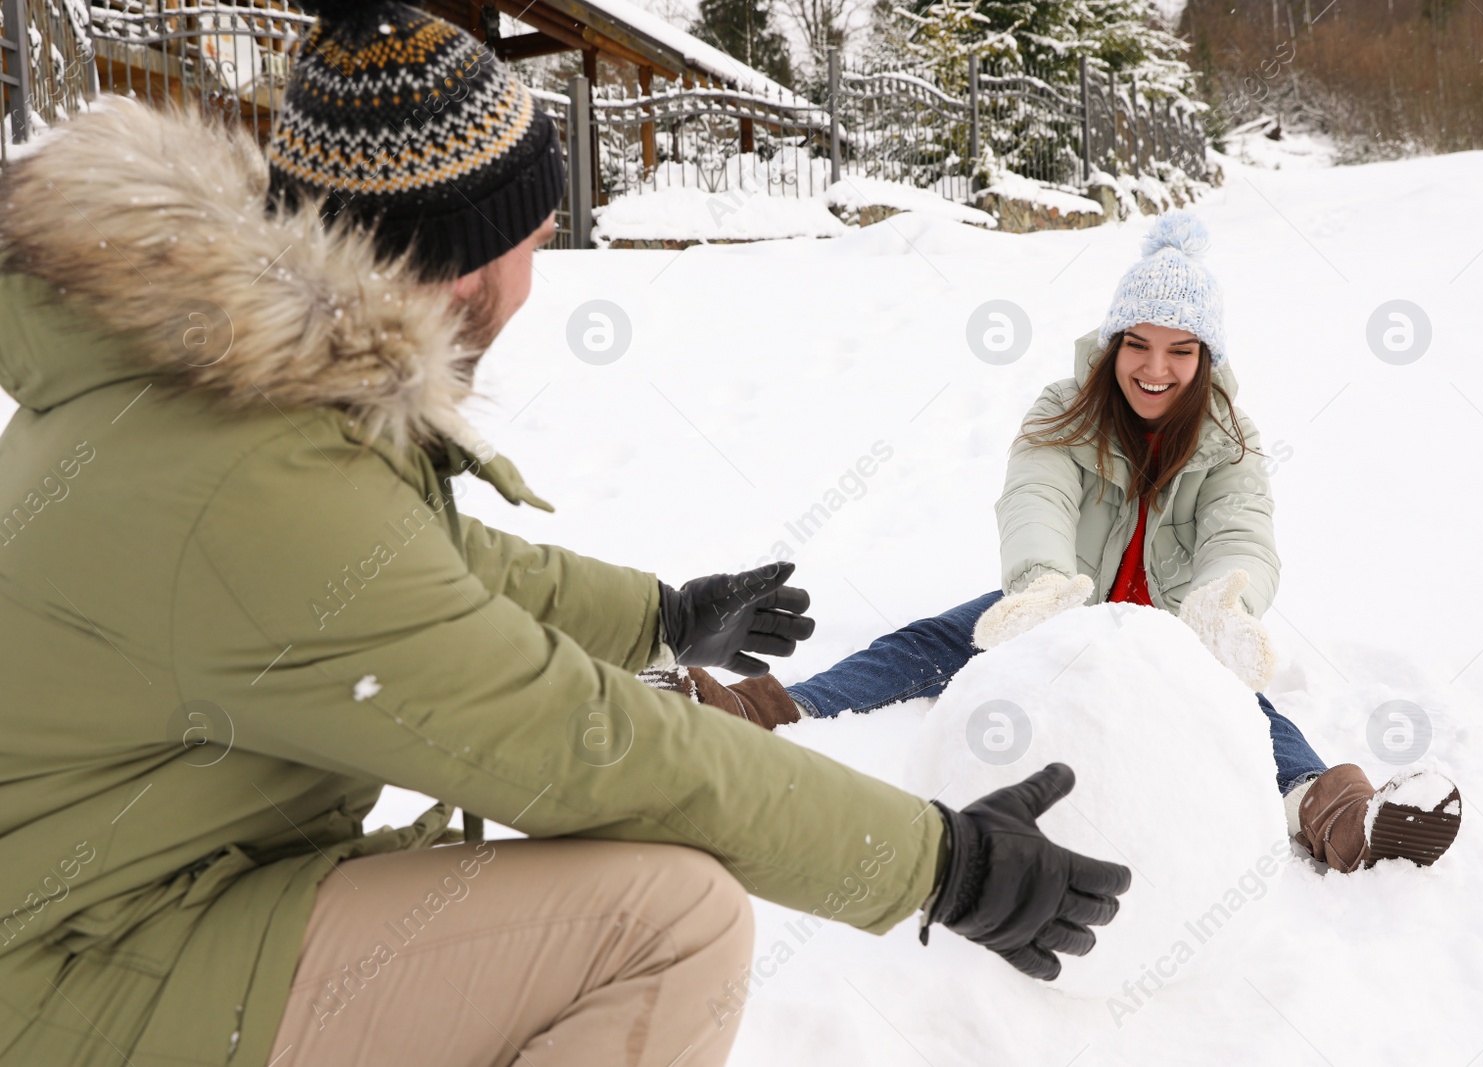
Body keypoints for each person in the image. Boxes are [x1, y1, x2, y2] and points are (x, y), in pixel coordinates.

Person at [0, 4, 1133, 1066]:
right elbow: (577, 743)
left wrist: (662, 614)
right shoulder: (255, 484)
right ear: (466, 259)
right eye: (535, 240)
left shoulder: (217, 392)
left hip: (124, 907)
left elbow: (427, 570)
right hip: (77, 977)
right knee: (668, 920)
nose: (536, 277)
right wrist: (941, 863)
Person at [663, 213, 1463, 875]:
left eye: (1180, 349)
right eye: (1138, 344)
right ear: (1112, 341)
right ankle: (763, 707)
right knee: (931, 640)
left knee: (1245, 707)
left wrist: (1227, 601)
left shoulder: (1230, 438)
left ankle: (1341, 813)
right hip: (1064, 610)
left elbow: (1242, 529)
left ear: (1206, 357)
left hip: (1169, 633)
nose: (1155, 368)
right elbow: (1035, 493)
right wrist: (1043, 581)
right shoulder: (1064, 410)